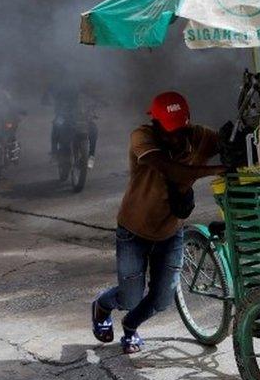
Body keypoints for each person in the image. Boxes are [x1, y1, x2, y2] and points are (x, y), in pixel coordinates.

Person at [91, 91, 226, 353]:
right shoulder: (142, 137)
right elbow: (171, 170)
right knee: (130, 296)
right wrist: (215, 170)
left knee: (162, 299)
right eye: (169, 130)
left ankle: (130, 327)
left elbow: (226, 145)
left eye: (180, 130)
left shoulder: (200, 136)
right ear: (155, 123)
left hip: (170, 232)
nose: (175, 137)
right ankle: (102, 304)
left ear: (188, 122)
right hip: (134, 231)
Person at [43, 81, 100, 169]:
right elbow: (50, 93)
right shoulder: (60, 88)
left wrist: (92, 111)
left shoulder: (82, 93)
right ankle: (54, 153)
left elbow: (90, 100)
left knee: (94, 129)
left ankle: (91, 156)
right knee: (56, 125)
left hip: (80, 120)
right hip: (63, 116)